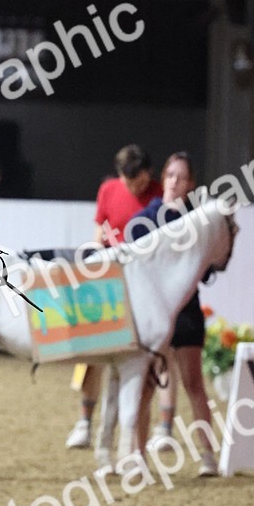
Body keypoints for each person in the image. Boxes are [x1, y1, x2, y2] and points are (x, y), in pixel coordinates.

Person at [127, 151, 218, 477]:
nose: (175, 182)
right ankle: (138, 457)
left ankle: (208, 456)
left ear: (190, 183)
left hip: (187, 313)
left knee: (194, 383)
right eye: (170, 175)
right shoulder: (147, 218)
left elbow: (207, 271)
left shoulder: (199, 222)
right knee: (147, 386)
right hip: (154, 314)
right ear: (163, 179)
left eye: (181, 177)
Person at [65, 144, 162, 449]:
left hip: (143, 285)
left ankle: (150, 428)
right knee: (91, 354)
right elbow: (99, 233)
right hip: (110, 282)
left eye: (141, 182)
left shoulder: (158, 193)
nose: (136, 188)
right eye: (130, 183)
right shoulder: (108, 189)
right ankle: (84, 421)